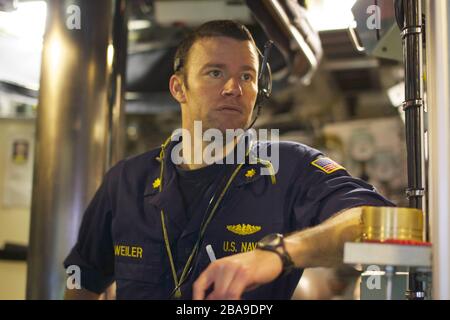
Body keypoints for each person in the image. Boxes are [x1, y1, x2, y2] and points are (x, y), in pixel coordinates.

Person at [64, 20, 394, 300]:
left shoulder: (289, 168)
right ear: (179, 88)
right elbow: (82, 281)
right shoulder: (126, 181)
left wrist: (281, 254)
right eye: (215, 73)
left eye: (247, 77)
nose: (233, 88)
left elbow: (381, 224)